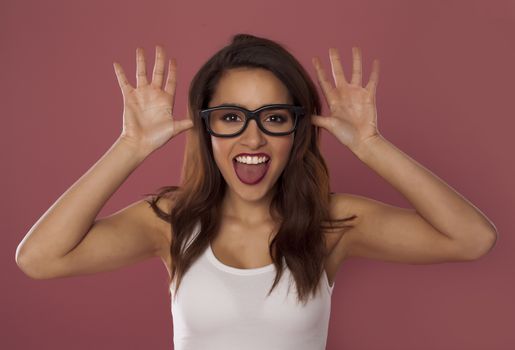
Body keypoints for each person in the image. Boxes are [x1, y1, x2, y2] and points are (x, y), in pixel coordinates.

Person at [15, 33, 498, 349]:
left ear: (297, 129)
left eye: (273, 118)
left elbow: (472, 239)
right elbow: (39, 259)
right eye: (230, 117)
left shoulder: (332, 224)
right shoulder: (170, 221)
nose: (252, 138)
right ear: (205, 129)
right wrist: (130, 146)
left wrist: (370, 145)